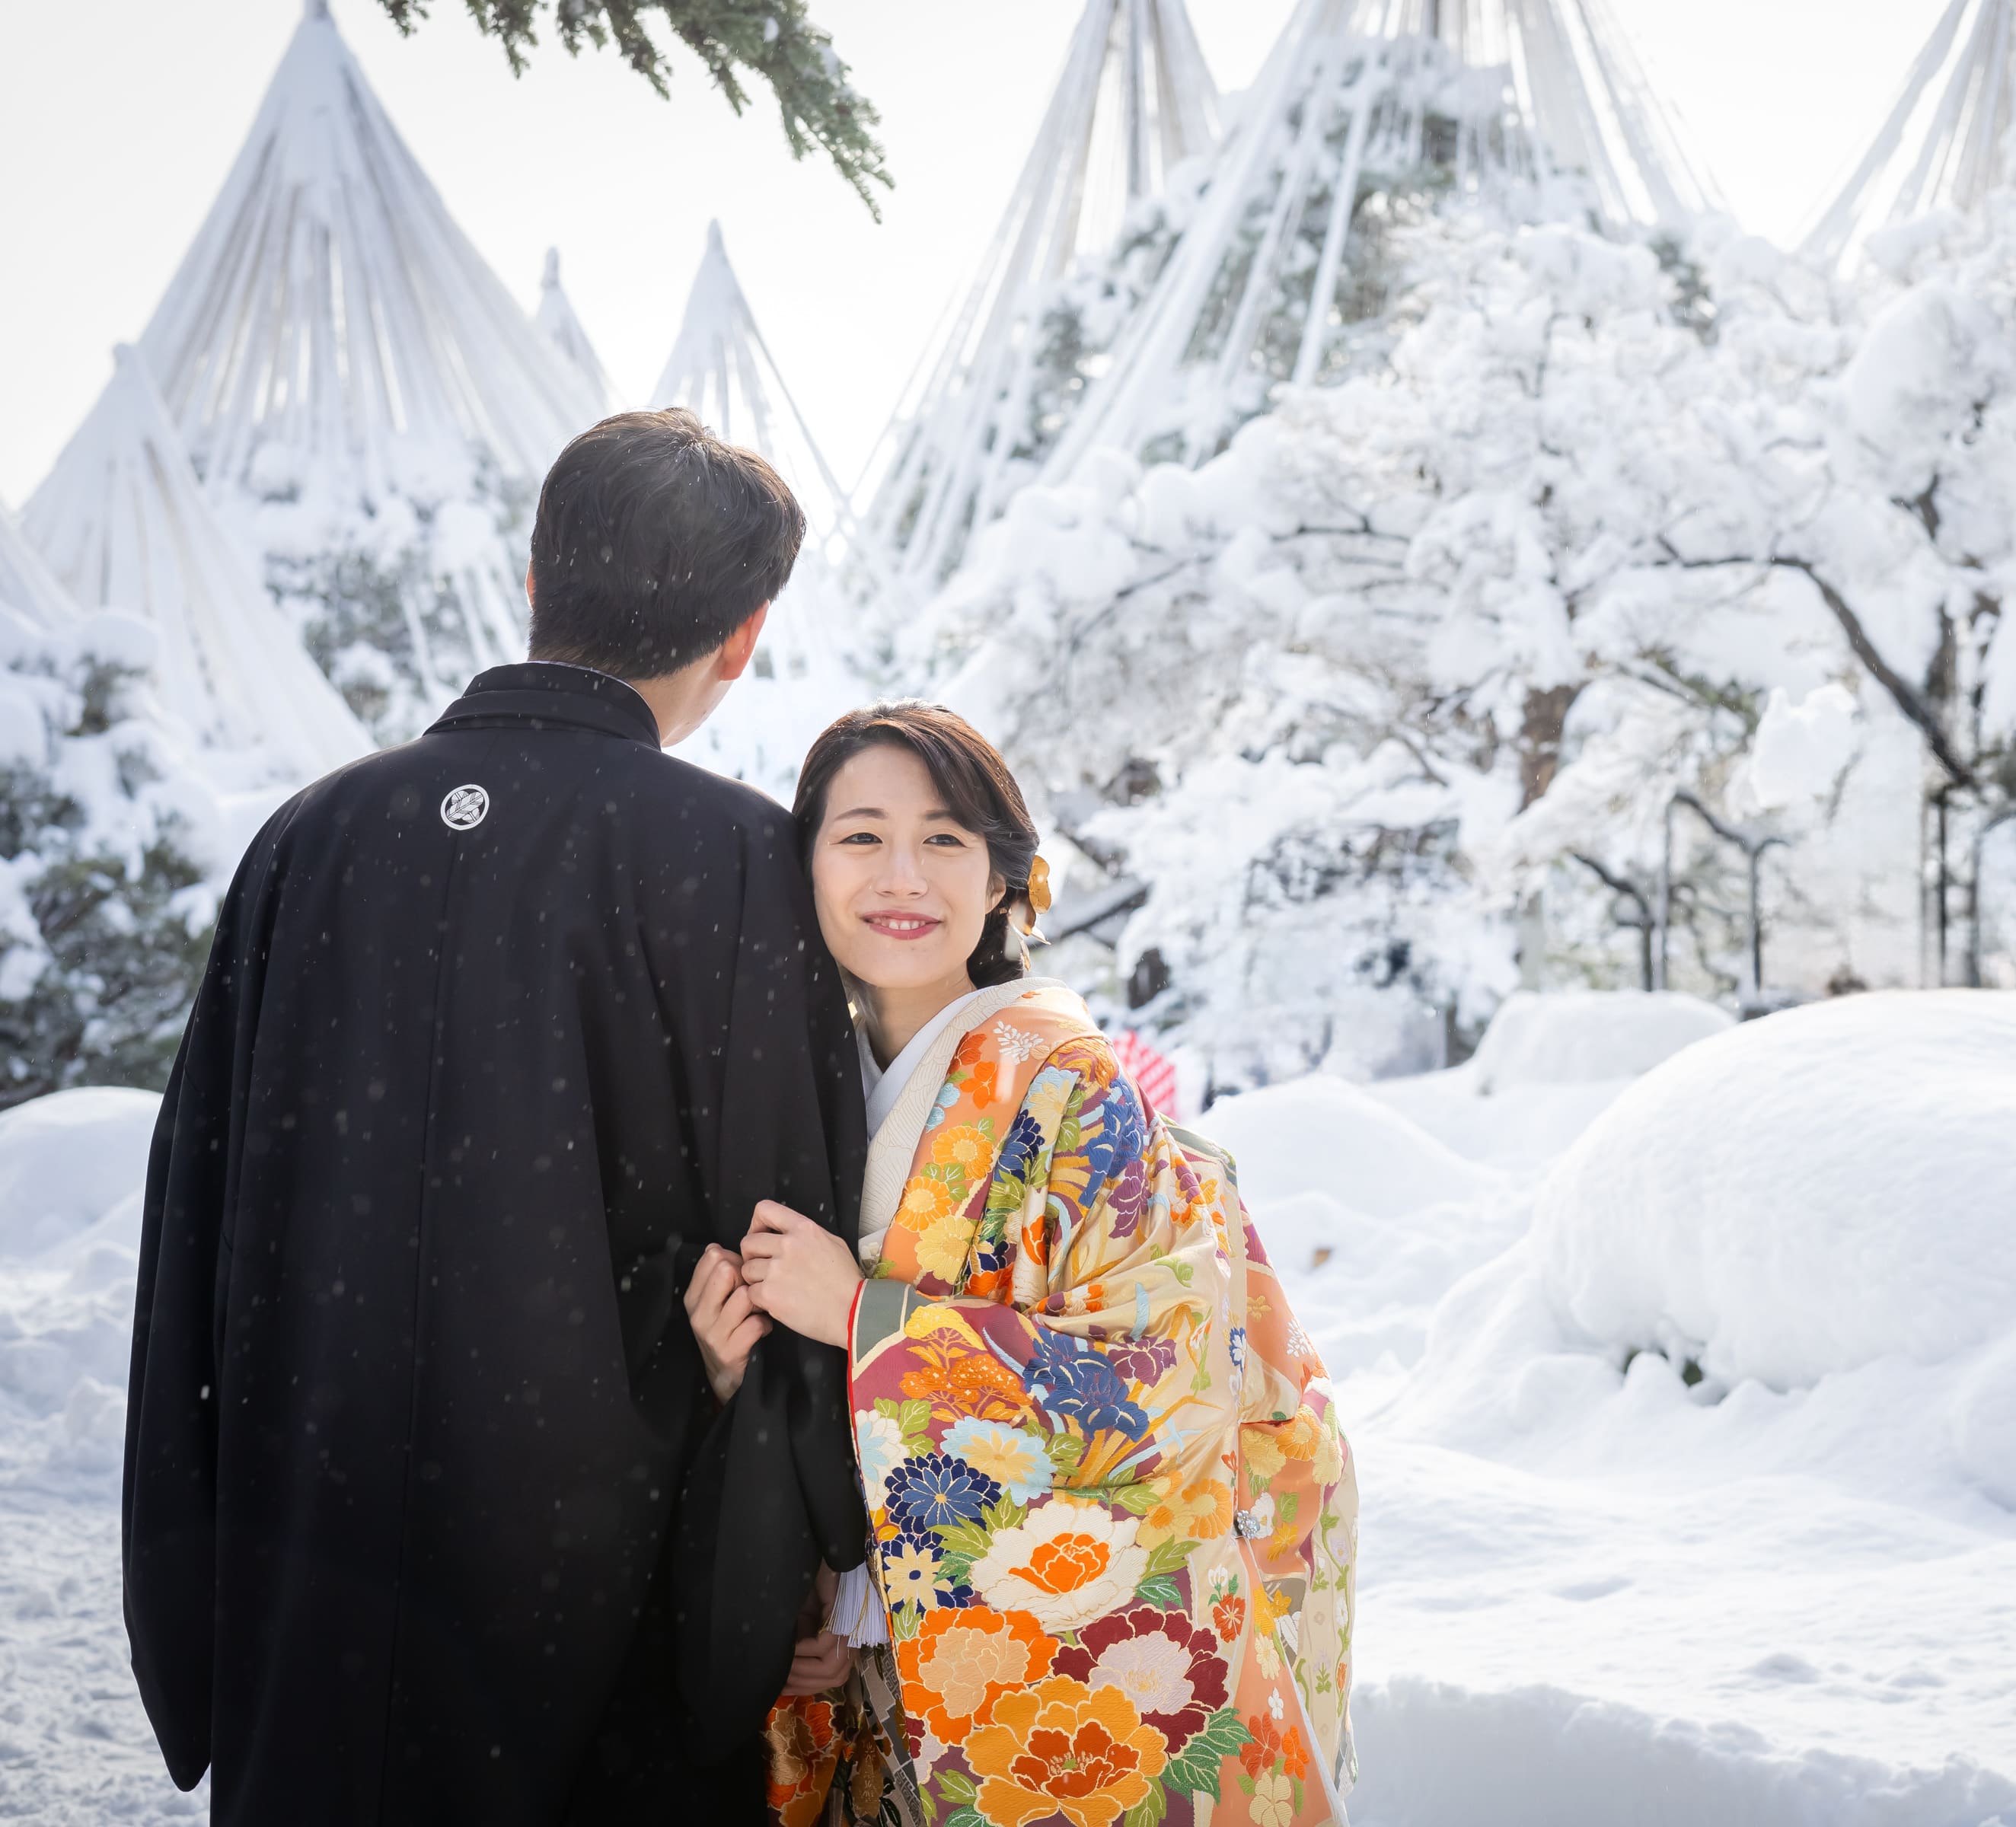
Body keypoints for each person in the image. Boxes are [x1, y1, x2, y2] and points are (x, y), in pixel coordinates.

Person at [123, 409, 867, 1824]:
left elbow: (196, 1215)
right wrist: (786, 1563)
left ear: (534, 584)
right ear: (743, 636)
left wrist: (195, 1569)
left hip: (311, 1555)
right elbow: (790, 1233)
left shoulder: (311, 834)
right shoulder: (737, 862)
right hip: (602, 1583)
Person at [684, 703, 1358, 1826]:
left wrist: (865, 1318)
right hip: (866, 1665)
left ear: (1006, 880)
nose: (902, 874)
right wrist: (731, 1380)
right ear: (802, 867)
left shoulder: (1069, 1085)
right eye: (860, 836)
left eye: (945, 839)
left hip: (1002, 1661)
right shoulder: (794, 1081)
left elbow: (1153, 1383)